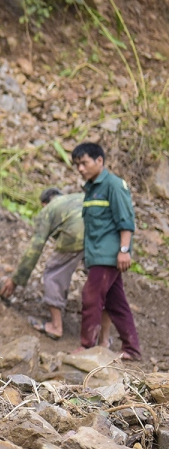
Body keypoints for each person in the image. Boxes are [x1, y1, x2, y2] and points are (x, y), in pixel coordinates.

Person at [73, 142, 139, 360]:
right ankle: (132, 349)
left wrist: (124, 250)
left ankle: (87, 346)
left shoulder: (114, 185)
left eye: (84, 163)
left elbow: (126, 220)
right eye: (77, 165)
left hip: (109, 255)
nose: (80, 169)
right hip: (97, 254)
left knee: (91, 296)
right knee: (115, 301)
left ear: (99, 161)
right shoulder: (91, 189)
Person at [1, 188, 85, 340]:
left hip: (76, 233)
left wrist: (16, 280)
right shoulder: (75, 198)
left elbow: (35, 249)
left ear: (44, 203)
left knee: (54, 273)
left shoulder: (49, 210)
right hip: (102, 234)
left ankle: (56, 326)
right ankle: (100, 333)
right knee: (99, 279)